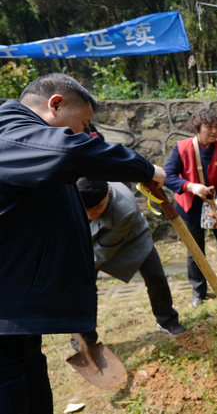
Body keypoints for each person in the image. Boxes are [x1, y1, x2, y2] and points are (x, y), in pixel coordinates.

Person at [0, 73, 166, 413]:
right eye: (83, 124)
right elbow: (66, 152)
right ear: (55, 104)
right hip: (4, 317)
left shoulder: (27, 143)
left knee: (31, 387)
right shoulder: (9, 132)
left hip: (17, 317)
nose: (87, 135)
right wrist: (145, 169)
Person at [76, 178, 186, 344]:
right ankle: (85, 338)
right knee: (83, 287)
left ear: (107, 193)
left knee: (156, 277)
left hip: (133, 239)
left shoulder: (125, 208)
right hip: (90, 240)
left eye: (98, 208)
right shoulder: (71, 196)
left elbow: (101, 252)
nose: (92, 215)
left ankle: (167, 320)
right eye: (86, 211)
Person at [164, 108, 217, 308]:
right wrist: (191, 187)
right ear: (197, 128)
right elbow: (167, 176)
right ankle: (199, 290)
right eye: (209, 127)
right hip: (190, 207)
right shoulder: (181, 148)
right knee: (195, 251)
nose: (214, 131)